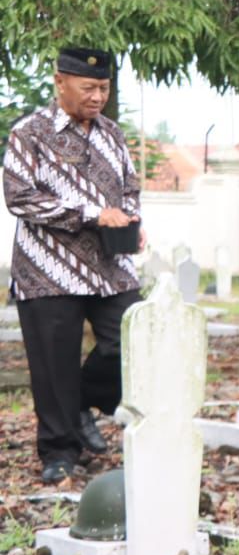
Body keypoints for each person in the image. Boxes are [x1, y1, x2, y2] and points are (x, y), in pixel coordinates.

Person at [3, 47, 146, 483]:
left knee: (134, 341)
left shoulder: (113, 134)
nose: (97, 96)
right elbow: (19, 198)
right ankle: (60, 453)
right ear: (60, 81)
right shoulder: (29, 133)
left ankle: (83, 400)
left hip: (110, 266)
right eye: (88, 87)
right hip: (47, 271)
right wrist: (90, 213)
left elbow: (130, 188)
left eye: (103, 88)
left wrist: (133, 221)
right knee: (53, 366)